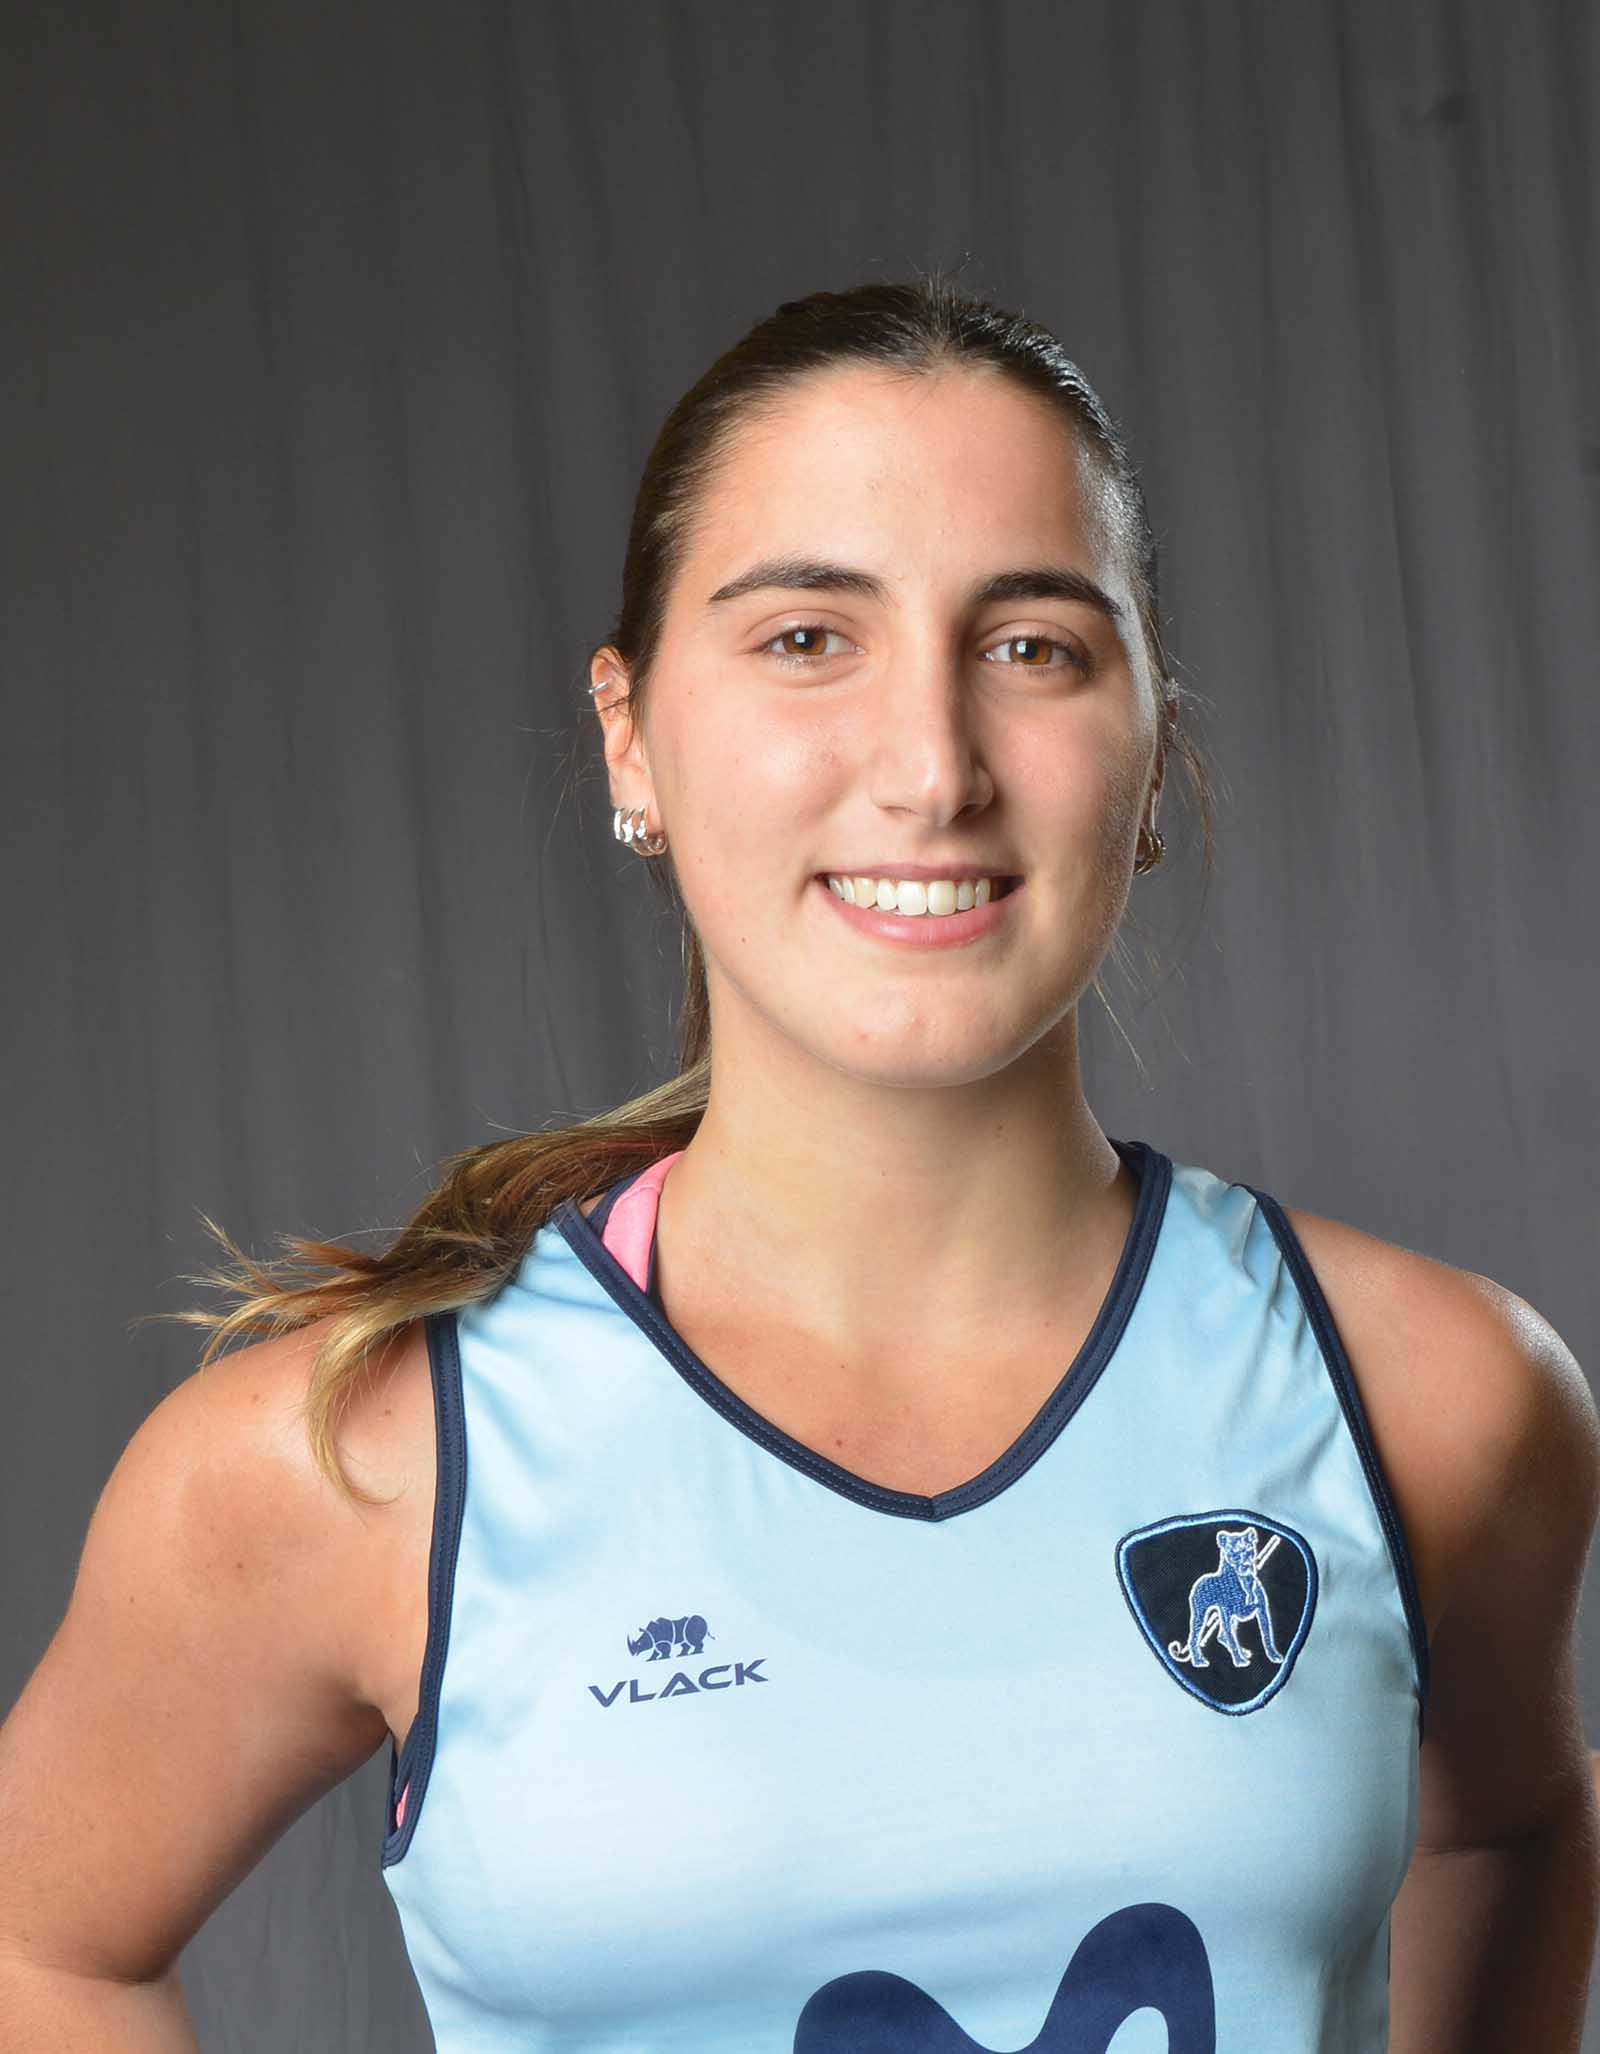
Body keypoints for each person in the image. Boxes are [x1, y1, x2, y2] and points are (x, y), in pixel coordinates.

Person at [1, 272, 1596, 2053]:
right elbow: (43, 1941)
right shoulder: (360, 1466)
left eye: (1032, 647)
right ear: (630, 733)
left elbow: (1514, 1825)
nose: (929, 768)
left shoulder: (1433, 1399)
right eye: (808, 638)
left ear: (1153, 753)